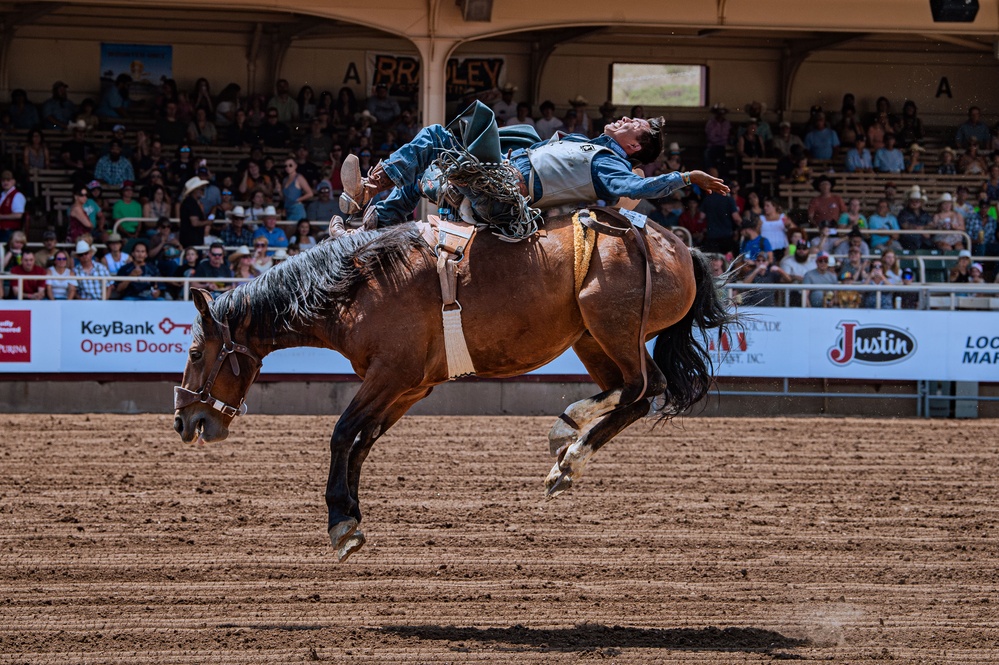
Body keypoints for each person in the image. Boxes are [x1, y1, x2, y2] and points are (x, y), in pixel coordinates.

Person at [342, 104, 728, 230]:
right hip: (496, 178)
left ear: (633, 146)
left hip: (503, 195)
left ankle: (370, 189)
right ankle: (371, 224)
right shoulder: (586, 144)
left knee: (435, 137)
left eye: (635, 126)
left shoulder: (609, 164)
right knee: (427, 172)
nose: (627, 119)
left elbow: (640, 189)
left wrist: (686, 177)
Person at [178, 176, 211, 248]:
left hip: (192, 240)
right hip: (191, 241)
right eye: (201, 189)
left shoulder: (191, 202)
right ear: (195, 190)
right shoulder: (191, 203)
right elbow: (195, 223)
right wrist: (208, 222)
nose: (203, 191)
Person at [280, 156, 314, 221]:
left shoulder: (299, 178)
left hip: (296, 209)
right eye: (286, 166)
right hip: (287, 210)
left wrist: (298, 200)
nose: (287, 167)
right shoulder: (285, 180)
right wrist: (279, 191)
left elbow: (310, 193)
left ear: (295, 166)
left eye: (290, 165)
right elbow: (284, 198)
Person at [0, 170, 27, 242]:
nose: (5, 182)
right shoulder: (2, 195)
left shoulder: (17, 195)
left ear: (13, 181)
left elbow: (18, 215)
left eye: (8, 180)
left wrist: (1, 216)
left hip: (9, 231)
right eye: (3, 180)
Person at [703, 103, 731, 170]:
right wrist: (720, 140)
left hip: (723, 147)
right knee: (707, 154)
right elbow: (710, 137)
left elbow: (726, 137)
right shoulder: (711, 123)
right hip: (712, 146)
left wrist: (719, 139)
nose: (720, 114)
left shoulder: (727, 124)